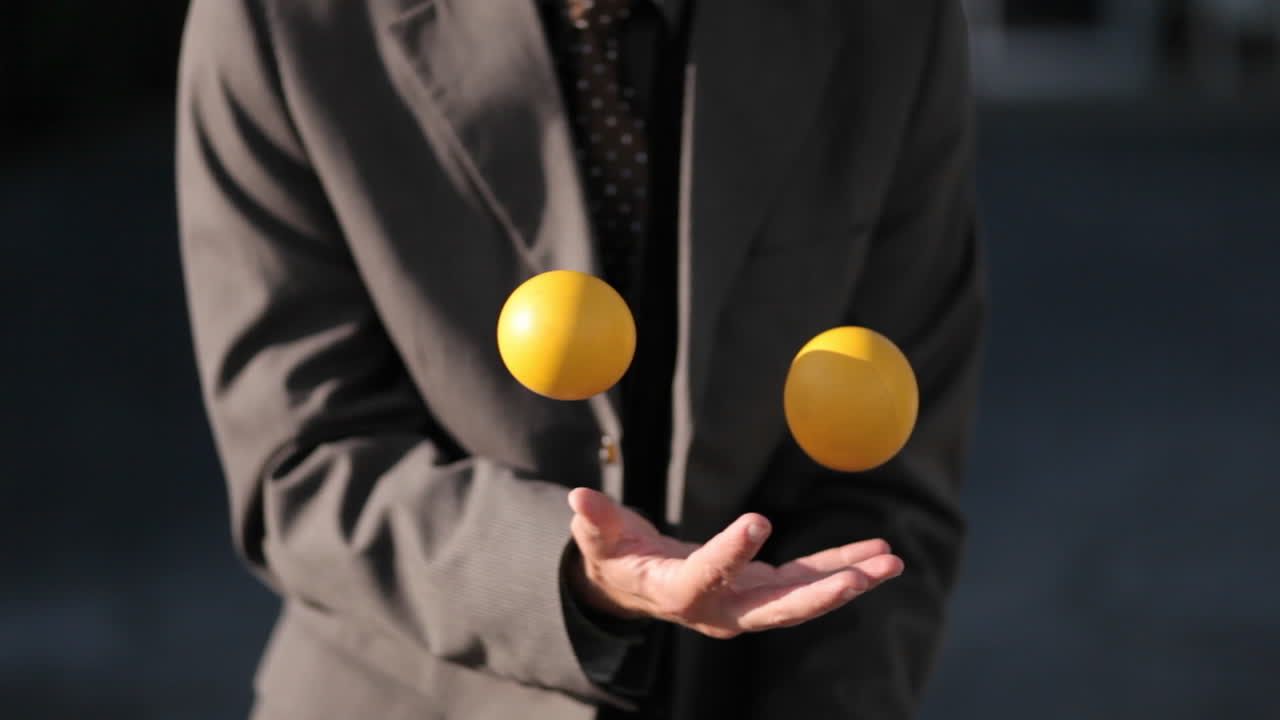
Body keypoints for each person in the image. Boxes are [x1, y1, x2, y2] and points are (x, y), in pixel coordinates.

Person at [176, 0, 985, 717]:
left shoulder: (889, 21)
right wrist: (571, 577)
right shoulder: (275, 20)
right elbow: (302, 465)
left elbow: (895, 477)